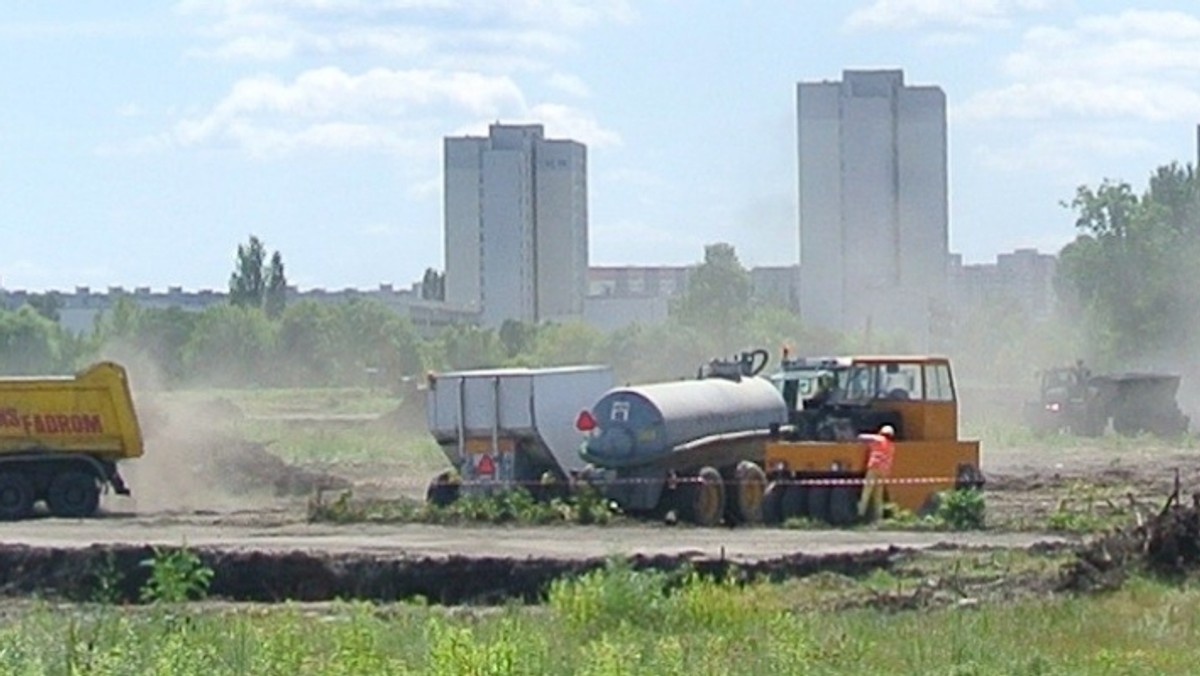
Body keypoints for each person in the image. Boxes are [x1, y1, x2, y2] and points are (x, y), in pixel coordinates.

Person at [857, 424, 895, 521]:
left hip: (874, 468)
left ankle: (860, 514)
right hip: (884, 471)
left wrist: (859, 435)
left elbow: (862, 437)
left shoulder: (879, 439)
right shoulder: (891, 446)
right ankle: (878, 517)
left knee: (867, 491)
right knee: (878, 495)